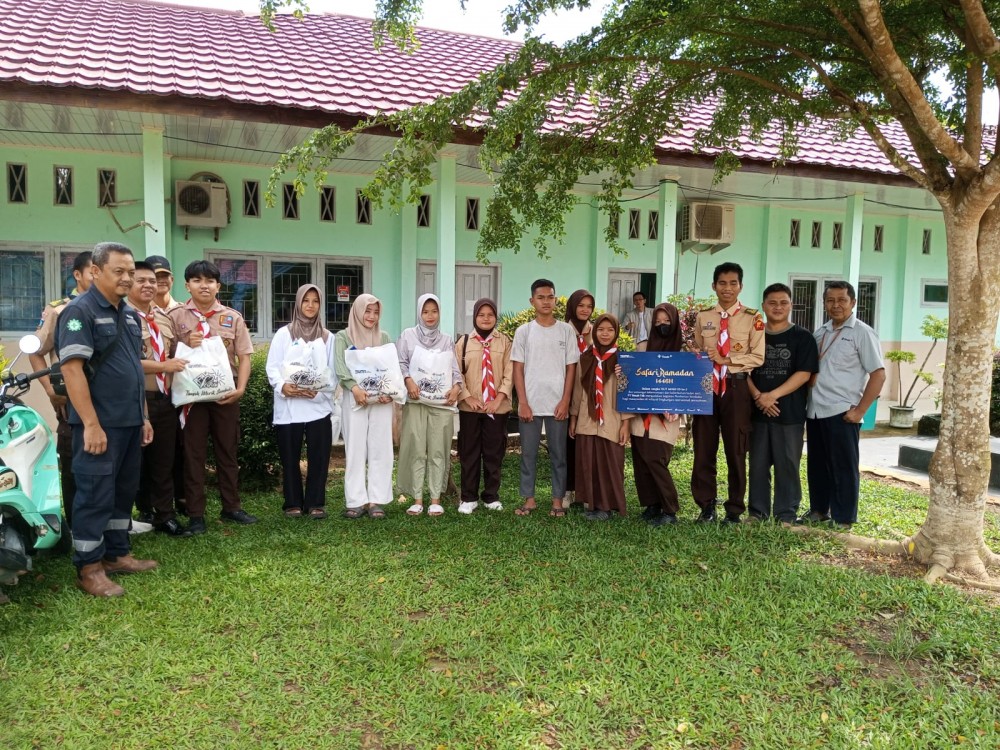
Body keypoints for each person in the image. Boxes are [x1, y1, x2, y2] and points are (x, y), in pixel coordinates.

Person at [55, 242, 157, 597]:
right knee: (95, 493)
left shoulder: (128, 314)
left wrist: (143, 416)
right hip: (99, 424)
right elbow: (71, 370)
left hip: (129, 422)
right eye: (120, 271)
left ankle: (116, 554)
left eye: (131, 271)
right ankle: (89, 567)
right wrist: (92, 424)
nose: (128, 278)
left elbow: (132, 369)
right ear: (95, 272)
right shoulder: (79, 312)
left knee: (122, 493)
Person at [168, 260, 257, 534]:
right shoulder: (176, 317)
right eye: (197, 280)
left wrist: (240, 388)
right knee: (193, 455)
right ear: (187, 285)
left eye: (209, 281)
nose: (203, 285)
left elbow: (244, 356)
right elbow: (165, 357)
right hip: (192, 399)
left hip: (225, 397)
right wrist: (184, 344)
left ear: (218, 286)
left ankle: (232, 506)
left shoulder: (232, 317)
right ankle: (196, 514)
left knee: (227, 452)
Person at [802, 281, 885, 530]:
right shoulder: (821, 332)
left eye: (842, 300)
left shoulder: (862, 333)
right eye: (830, 300)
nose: (835, 305)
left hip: (842, 411)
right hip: (815, 410)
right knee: (817, 464)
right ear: (824, 303)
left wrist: (860, 410)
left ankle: (844, 517)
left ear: (853, 303)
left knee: (843, 467)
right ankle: (819, 510)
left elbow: (878, 374)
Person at [691, 262, 765, 524]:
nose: (727, 288)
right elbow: (700, 351)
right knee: (703, 448)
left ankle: (734, 509)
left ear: (740, 286)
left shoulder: (753, 317)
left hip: (736, 388)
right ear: (714, 286)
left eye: (733, 283)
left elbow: (757, 357)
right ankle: (706, 506)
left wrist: (726, 359)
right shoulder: (704, 317)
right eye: (722, 283)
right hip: (706, 389)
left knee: (736, 449)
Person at [27, 250, 93, 529]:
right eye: (93, 271)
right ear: (77, 275)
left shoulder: (112, 306)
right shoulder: (59, 309)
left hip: (104, 398)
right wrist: (50, 390)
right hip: (71, 398)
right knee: (73, 458)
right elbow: (36, 351)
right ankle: (75, 522)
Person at [126, 261, 191, 537]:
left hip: (163, 398)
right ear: (129, 282)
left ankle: (165, 515)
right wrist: (165, 367)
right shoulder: (121, 317)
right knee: (130, 463)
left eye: (152, 281)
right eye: (141, 280)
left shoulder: (163, 319)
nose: (148, 285)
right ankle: (129, 517)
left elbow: (175, 355)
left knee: (164, 459)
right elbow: (126, 362)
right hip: (132, 400)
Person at [747, 284, 819, 524]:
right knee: (757, 464)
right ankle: (757, 512)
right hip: (757, 413)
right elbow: (742, 370)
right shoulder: (754, 334)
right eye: (772, 302)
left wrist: (772, 395)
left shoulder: (803, 337)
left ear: (790, 305)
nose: (778, 307)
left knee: (788, 464)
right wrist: (759, 396)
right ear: (764, 305)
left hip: (790, 414)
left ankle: (785, 514)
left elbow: (804, 373)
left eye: (783, 302)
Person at [265, 283, 335, 519]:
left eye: (315, 301)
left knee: (319, 456)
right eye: (306, 300)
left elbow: (332, 372)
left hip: (318, 406)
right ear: (298, 303)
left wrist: (320, 389)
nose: (310, 306)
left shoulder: (327, 337)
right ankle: (292, 502)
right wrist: (283, 386)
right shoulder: (284, 334)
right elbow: (272, 367)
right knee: (290, 456)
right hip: (289, 407)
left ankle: (315, 502)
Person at [511, 279, 580, 517]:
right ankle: (529, 499)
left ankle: (557, 500)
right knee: (528, 453)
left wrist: (565, 401)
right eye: (541, 297)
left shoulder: (566, 330)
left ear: (556, 299)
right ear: (532, 301)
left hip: (557, 404)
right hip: (530, 404)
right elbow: (517, 368)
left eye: (550, 297)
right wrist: (523, 402)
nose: (546, 301)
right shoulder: (524, 332)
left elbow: (571, 368)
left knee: (559, 455)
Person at [396, 294, 463, 517]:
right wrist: (408, 381)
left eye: (434, 311)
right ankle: (417, 498)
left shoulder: (446, 340)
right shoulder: (407, 335)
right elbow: (400, 362)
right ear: (419, 313)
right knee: (416, 447)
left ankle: (435, 498)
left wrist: (456, 387)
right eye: (425, 311)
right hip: (415, 402)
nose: (430, 316)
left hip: (441, 405)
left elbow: (454, 368)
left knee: (438, 450)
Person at [334, 293, 395, 519]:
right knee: (356, 448)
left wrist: (389, 392)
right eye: (367, 311)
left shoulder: (385, 337)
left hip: (381, 402)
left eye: (376, 312)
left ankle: (376, 500)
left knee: (380, 449)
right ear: (357, 311)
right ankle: (356, 500)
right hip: (355, 398)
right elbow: (341, 368)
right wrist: (356, 389)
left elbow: (391, 368)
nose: (371, 316)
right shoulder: (343, 336)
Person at [570, 314, 632, 520]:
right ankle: (593, 505)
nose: (605, 334)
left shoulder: (622, 360)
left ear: (616, 333)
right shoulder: (586, 357)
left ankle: (607, 506)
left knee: (610, 463)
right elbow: (578, 390)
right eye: (600, 330)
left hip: (612, 421)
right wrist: (573, 417)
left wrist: (626, 424)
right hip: (587, 420)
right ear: (594, 332)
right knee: (589, 462)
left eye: (610, 330)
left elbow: (627, 392)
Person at [455, 298, 513, 514]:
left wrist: (498, 399)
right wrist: (467, 397)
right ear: (475, 317)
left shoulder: (505, 342)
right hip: (471, 409)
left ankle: (491, 496)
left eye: (490, 315)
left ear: (495, 317)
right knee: (469, 452)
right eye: (481, 315)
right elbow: (456, 372)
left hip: (496, 409)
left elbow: (510, 373)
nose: (486, 318)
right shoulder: (464, 342)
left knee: (493, 453)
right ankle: (468, 497)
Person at [628, 303, 683, 526]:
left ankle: (670, 510)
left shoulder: (684, 352)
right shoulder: (643, 347)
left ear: (675, 322)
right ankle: (652, 504)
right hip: (641, 414)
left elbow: (690, 385)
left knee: (656, 458)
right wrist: (624, 370)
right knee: (641, 461)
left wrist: (677, 406)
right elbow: (632, 375)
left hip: (668, 416)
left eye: (666, 321)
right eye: (658, 322)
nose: (662, 325)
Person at [563, 289, 595, 509]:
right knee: (566, 445)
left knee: (586, 446)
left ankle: (585, 492)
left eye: (589, 306)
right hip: (564, 395)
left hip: (589, 398)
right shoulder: (562, 331)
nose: (585, 310)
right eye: (581, 305)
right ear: (573, 306)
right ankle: (567, 490)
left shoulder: (597, 331)